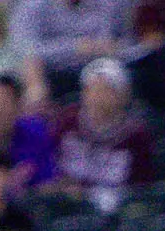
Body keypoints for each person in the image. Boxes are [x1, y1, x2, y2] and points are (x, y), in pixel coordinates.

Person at [51, 57, 153, 199]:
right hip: (68, 200)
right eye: (92, 90)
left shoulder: (136, 134)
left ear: (123, 96)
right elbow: (50, 161)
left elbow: (141, 183)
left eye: (107, 90)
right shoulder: (67, 121)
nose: (98, 97)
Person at [8, 0, 125, 82]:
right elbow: (25, 48)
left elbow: (112, 41)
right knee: (32, 68)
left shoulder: (107, 4)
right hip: (51, 72)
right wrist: (75, 48)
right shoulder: (32, 6)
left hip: (97, 69)